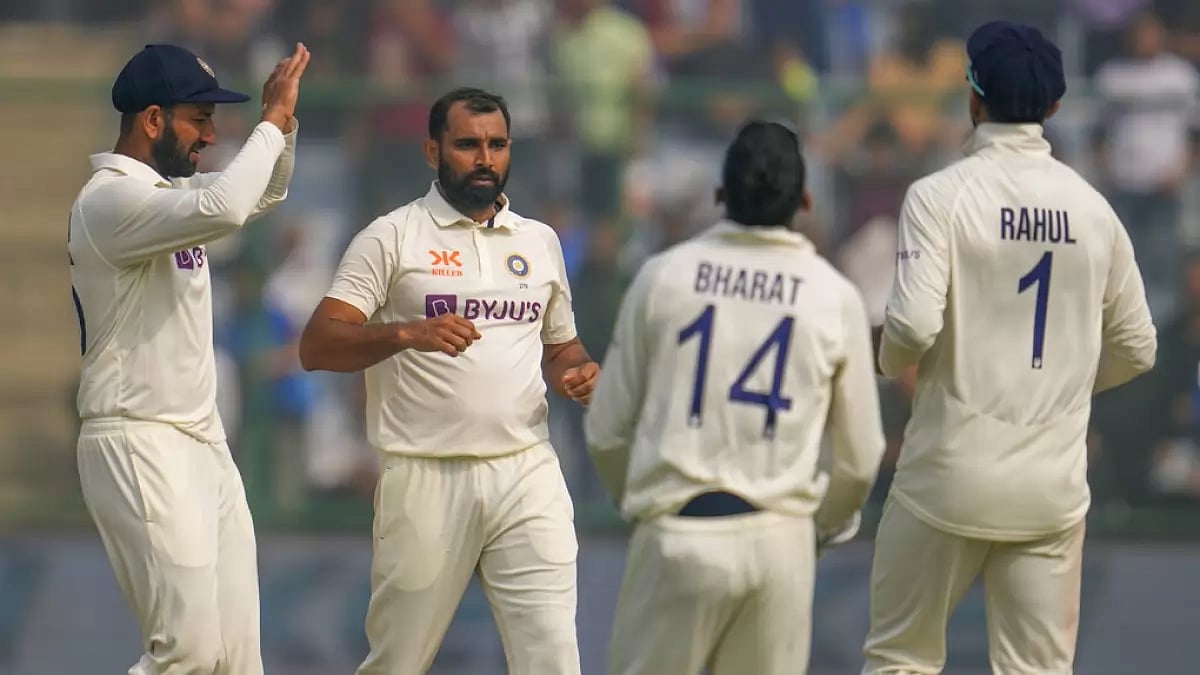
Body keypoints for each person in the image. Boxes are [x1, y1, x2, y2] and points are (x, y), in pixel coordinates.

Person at [862, 21, 1157, 674]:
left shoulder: (939, 196)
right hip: (1050, 488)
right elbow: (1137, 346)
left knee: (900, 660)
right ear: (1053, 109)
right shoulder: (1093, 209)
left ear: (972, 96)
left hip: (947, 476)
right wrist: (1063, 382)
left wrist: (889, 366)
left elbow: (908, 327)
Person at [298, 87, 596, 675]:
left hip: (526, 469)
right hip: (426, 474)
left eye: (496, 144)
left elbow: (561, 346)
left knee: (553, 658)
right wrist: (407, 334)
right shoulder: (391, 237)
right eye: (467, 145)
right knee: (399, 662)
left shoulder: (539, 242)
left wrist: (576, 372)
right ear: (433, 151)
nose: (484, 158)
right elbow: (317, 345)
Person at [584, 120, 888, 675]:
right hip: (780, 540)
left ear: (721, 194)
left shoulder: (663, 276)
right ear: (805, 200)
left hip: (676, 532)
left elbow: (606, 431)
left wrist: (643, 504)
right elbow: (861, 457)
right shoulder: (834, 294)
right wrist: (819, 529)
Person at [69, 42, 309, 673]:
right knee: (190, 652)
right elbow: (230, 205)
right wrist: (268, 123)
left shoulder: (165, 199)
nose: (211, 135)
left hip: (201, 442)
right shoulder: (110, 202)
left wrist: (282, 122)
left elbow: (262, 196)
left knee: (236, 659)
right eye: (197, 119)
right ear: (152, 121)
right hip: (138, 437)